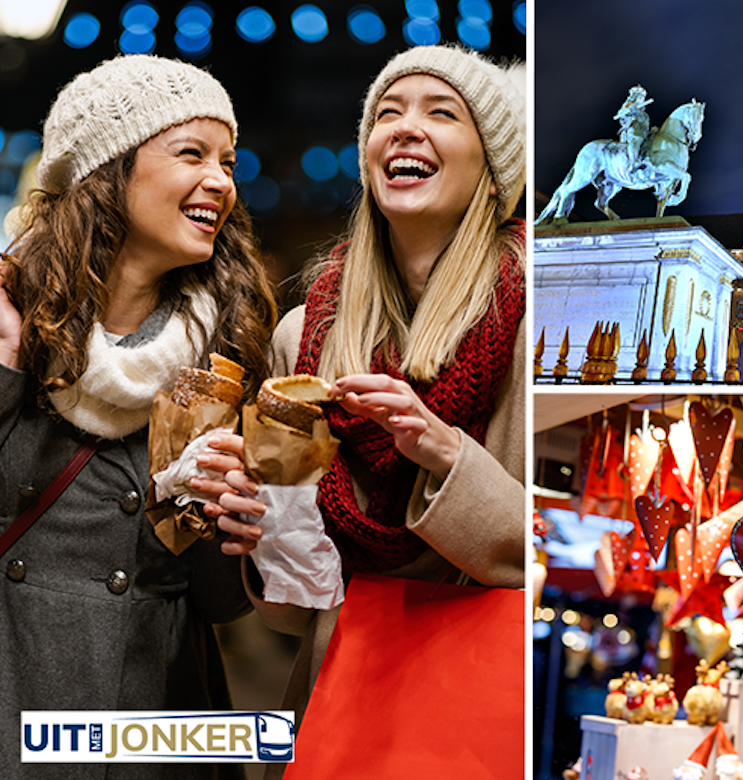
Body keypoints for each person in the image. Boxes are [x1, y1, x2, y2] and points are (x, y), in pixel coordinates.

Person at [215, 42, 526, 762]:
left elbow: (563, 546)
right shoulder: (302, 339)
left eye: (441, 113)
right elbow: (296, 609)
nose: (404, 127)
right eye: (387, 113)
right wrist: (257, 523)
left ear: (493, 167)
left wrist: (445, 453)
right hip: (347, 697)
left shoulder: (543, 318)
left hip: (482, 703)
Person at [0, 54, 277, 778]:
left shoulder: (225, 354)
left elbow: (223, 609)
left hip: (160, 723)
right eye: (192, 153)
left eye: (228, 160)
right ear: (106, 172)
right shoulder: (8, 316)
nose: (220, 180)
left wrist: (236, 523)